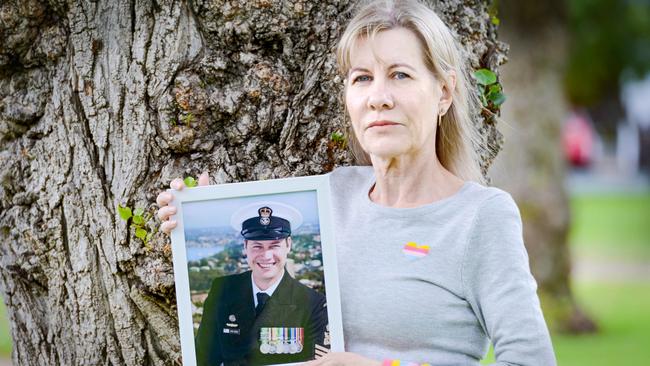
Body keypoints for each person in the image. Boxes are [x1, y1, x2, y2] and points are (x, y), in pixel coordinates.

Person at [157, 0, 557, 365]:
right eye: (362, 78)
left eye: (400, 75)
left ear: (445, 92)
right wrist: (194, 216)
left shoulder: (479, 216)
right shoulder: (332, 194)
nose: (378, 97)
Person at [192, 202, 328, 366]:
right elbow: (203, 357)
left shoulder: (313, 304)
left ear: (288, 245)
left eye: (274, 245)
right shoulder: (223, 289)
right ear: (245, 247)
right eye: (257, 246)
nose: (266, 256)